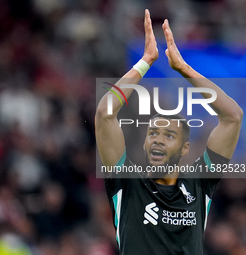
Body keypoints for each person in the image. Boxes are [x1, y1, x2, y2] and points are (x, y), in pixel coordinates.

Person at [95, 9, 243, 255]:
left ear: (185, 148)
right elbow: (104, 113)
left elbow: (232, 116)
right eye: (153, 133)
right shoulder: (126, 183)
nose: (158, 140)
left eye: (169, 135)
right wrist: (145, 63)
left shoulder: (199, 184)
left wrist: (185, 69)